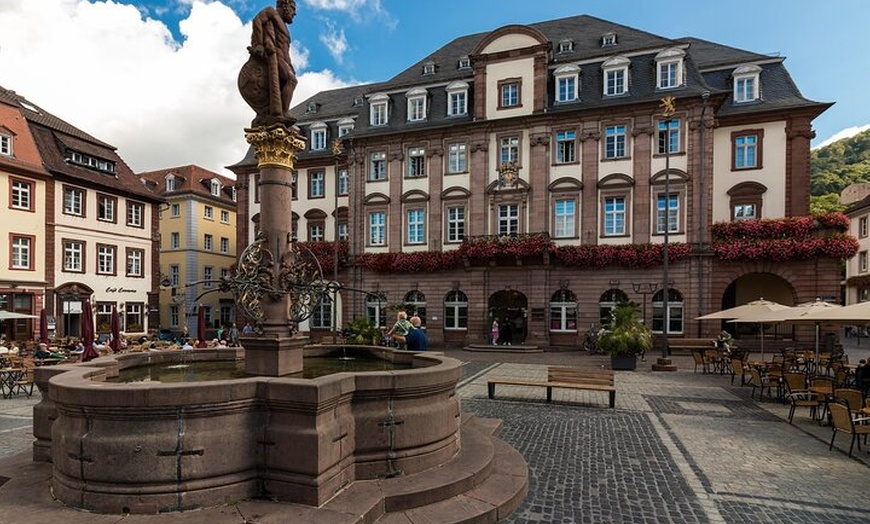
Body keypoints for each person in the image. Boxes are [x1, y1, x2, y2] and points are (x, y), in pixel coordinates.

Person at [238, 0, 298, 127]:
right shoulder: (272, 12)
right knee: (291, 80)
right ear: (285, 5)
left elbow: (285, 49)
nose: (295, 13)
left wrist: (290, 65)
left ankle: (281, 111)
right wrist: (259, 44)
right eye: (293, 8)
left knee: (290, 80)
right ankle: (282, 112)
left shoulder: (284, 26)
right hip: (275, 57)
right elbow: (257, 20)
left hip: (282, 58)